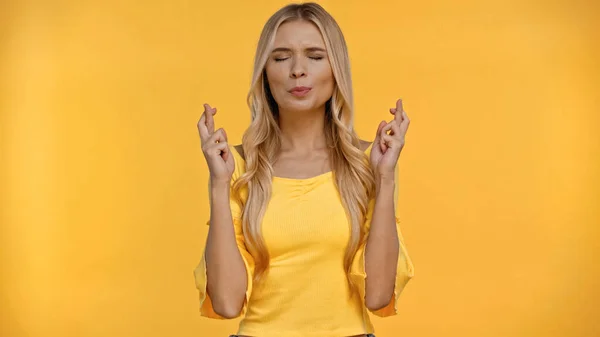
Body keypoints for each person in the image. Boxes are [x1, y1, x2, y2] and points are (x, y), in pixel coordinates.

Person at [193, 2, 414, 336]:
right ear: (265, 73)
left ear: (335, 67)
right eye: (281, 58)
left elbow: (378, 295)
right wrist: (218, 184)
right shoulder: (238, 167)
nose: (298, 70)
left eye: (315, 56)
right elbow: (226, 303)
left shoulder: (370, 162)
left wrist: (384, 178)